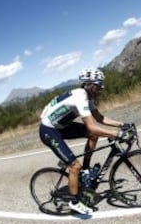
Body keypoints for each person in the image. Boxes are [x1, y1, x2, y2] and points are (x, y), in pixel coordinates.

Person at [39, 68, 132, 214]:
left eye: (102, 85)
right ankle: (74, 202)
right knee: (75, 166)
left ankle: (86, 170)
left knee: (92, 135)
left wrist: (121, 124)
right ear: (88, 84)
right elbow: (93, 126)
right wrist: (118, 134)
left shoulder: (88, 97)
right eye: (98, 85)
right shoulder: (80, 97)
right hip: (49, 131)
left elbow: (99, 118)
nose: (101, 88)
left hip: (62, 126)